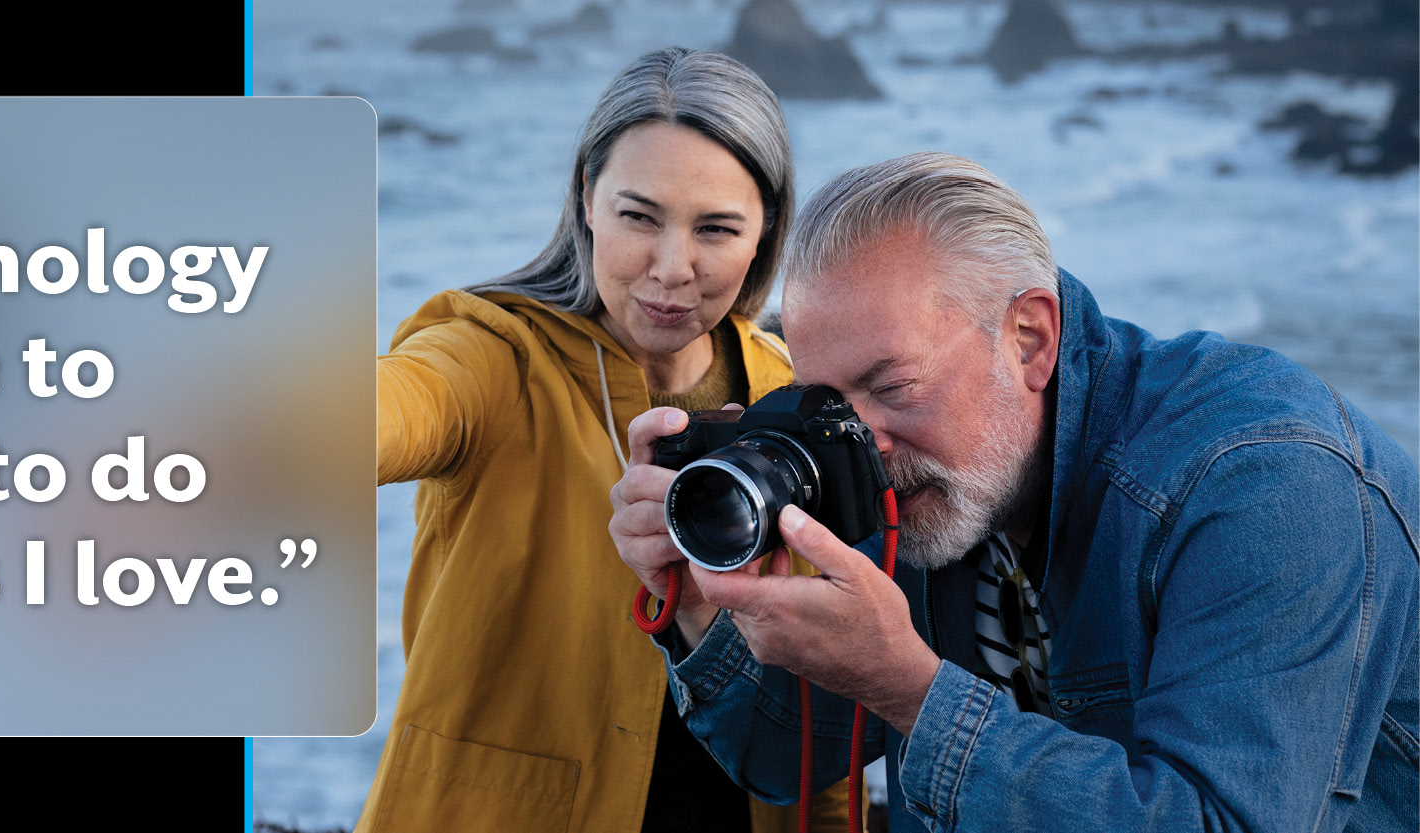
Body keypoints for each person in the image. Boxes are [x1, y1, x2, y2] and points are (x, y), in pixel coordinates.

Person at [609, 151, 1419, 831]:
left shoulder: (1261, 481)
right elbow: (789, 755)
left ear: (1029, 337)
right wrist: (701, 603)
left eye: (893, 385)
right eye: (828, 404)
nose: (865, 444)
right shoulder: (940, 479)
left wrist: (910, 688)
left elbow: (1218, 818)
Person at [363, 48, 861, 833]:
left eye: (717, 228)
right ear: (586, 197)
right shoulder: (495, 355)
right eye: (638, 216)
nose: (671, 268)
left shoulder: (792, 393)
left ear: (765, 231)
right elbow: (397, 405)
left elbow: (831, 695)